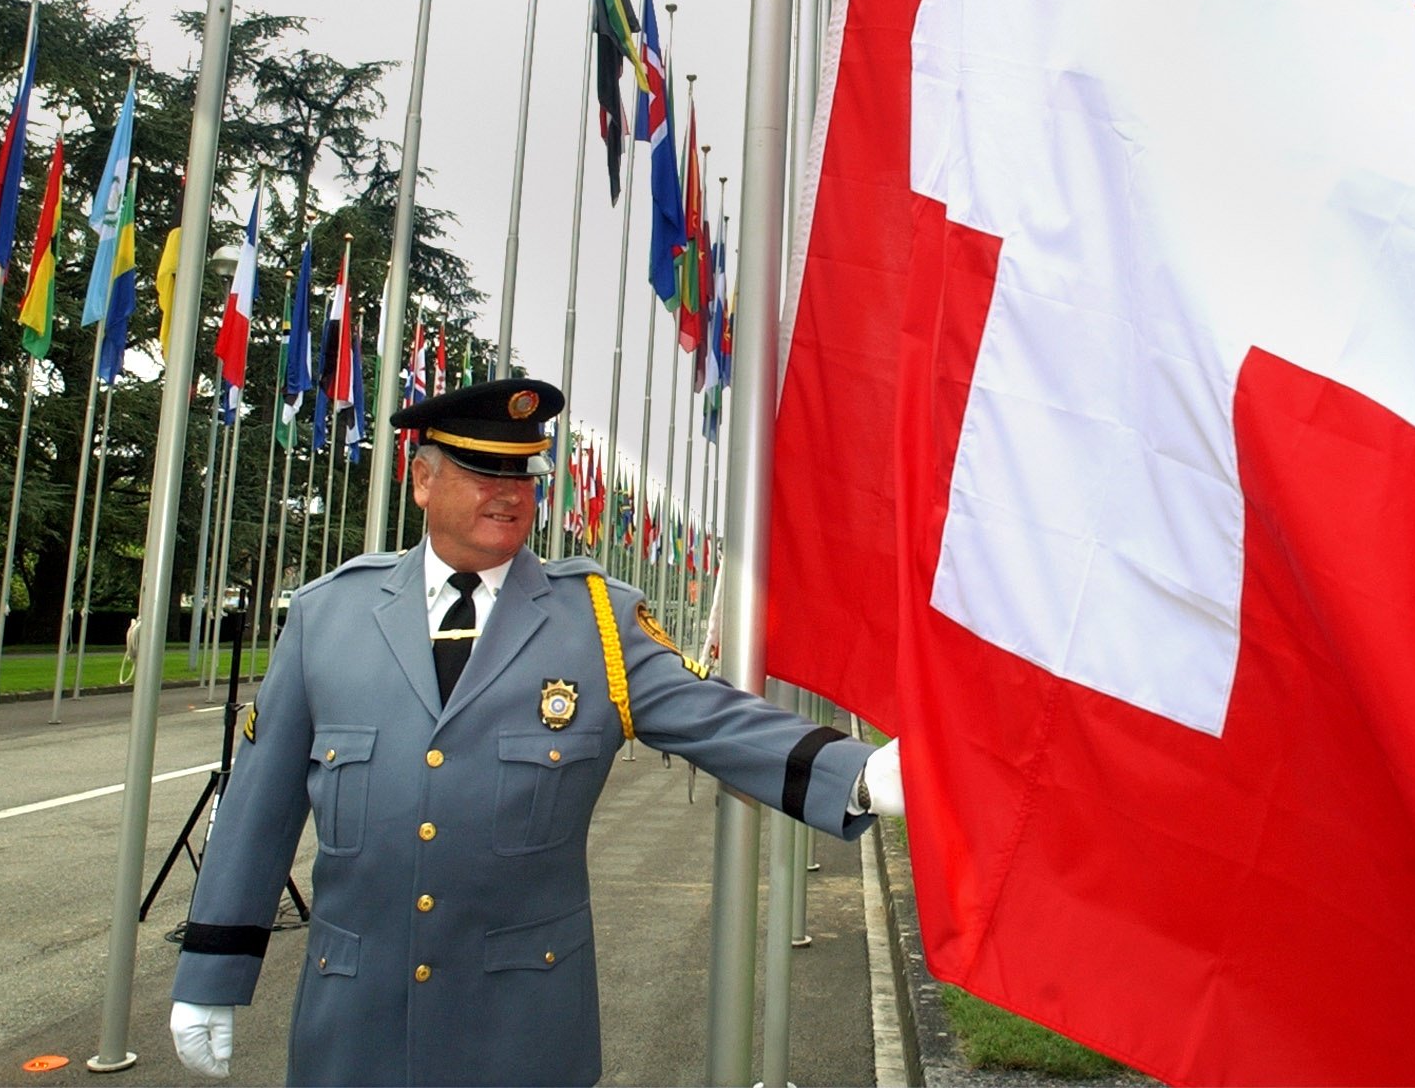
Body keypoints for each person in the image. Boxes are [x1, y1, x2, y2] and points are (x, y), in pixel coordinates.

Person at [169, 377, 902, 1086]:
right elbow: (258, 812)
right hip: (353, 1025)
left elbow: (711, 716)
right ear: (422, 481)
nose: (508, 492)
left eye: (523, 475)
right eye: (481, 470)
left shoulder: (595, 622)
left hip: (520, 1028)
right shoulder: (329, 616)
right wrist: (212, 971)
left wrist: (859, 774)